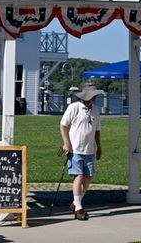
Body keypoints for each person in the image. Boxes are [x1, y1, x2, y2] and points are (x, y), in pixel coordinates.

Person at [59, 87, 103, 220]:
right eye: (93, 96)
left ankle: (75, 202)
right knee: (78, 176)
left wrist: (99, 146)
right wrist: (66, 143)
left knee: (88, 177)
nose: (95, 98)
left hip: (88, 150)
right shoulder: (74, 107)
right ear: (85, 97)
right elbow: (63, 125)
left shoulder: (95, 110)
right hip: (75, 149)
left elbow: (97, 130)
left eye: (95, 96)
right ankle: (79, 209)